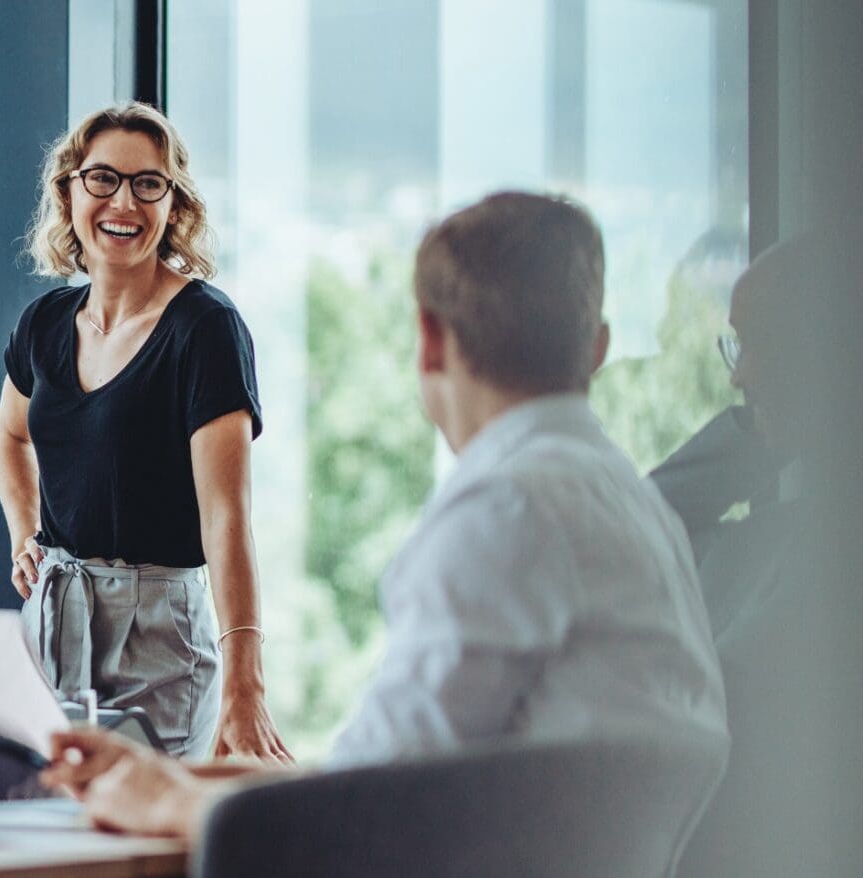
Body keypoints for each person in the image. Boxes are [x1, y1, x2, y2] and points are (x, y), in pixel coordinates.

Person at [41, 192, 729, 840]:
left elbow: (368, 813)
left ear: (429, 341)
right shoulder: (633, 505)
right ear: (597, 347)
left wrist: (165, 801)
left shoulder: (505, 511)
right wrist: (184, 776)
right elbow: (400, 769)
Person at [0, 102, 287, 761]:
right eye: (102, 178)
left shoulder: (205, 329)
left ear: (173, 204)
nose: (122, 202)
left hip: (157, 635)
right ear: (69, 191)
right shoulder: (43, 323)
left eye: (147, 183)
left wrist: (247, 682)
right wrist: (23, 535)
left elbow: (227, 518)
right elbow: (11, 436)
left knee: (143, 848)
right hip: (50, 619)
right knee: (44, 839)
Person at [669, 232, 863, 878]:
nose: (737, 375)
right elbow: (645, 526)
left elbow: (714, 697)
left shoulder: (831, 550)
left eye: (759, 345)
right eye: (738, 345)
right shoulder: (775, 531)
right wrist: (758, 431)